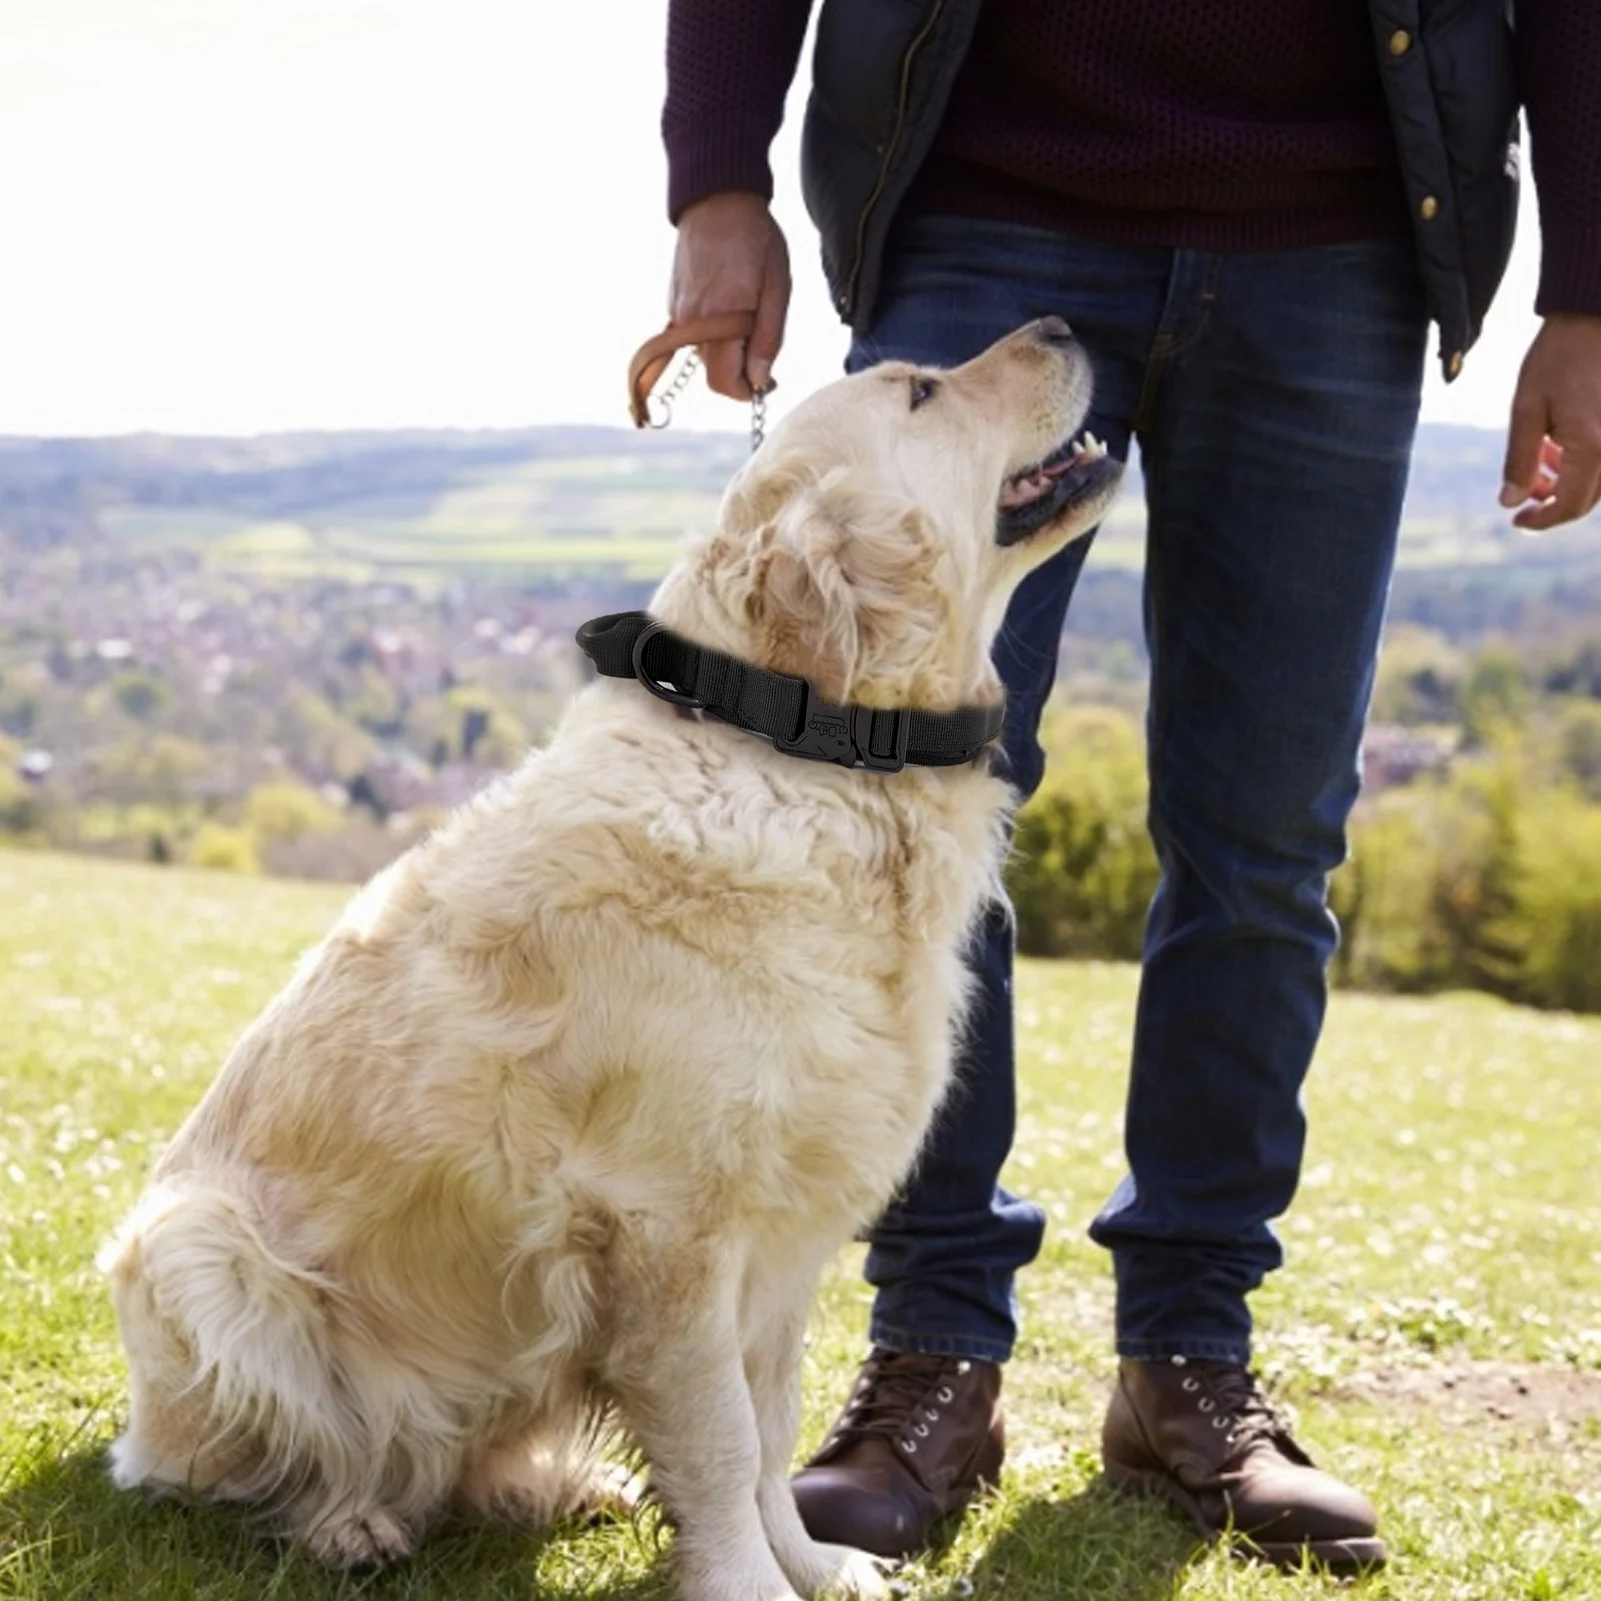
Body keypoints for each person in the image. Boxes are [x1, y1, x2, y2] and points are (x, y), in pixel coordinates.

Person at [659, 0, 1601, 1572]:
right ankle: (931, 1357)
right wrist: (716, 181)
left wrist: (1589, 292)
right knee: (891, 816)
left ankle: (1189, 1365)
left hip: (1340, 237)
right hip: (976, 197)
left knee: (1265, 845)